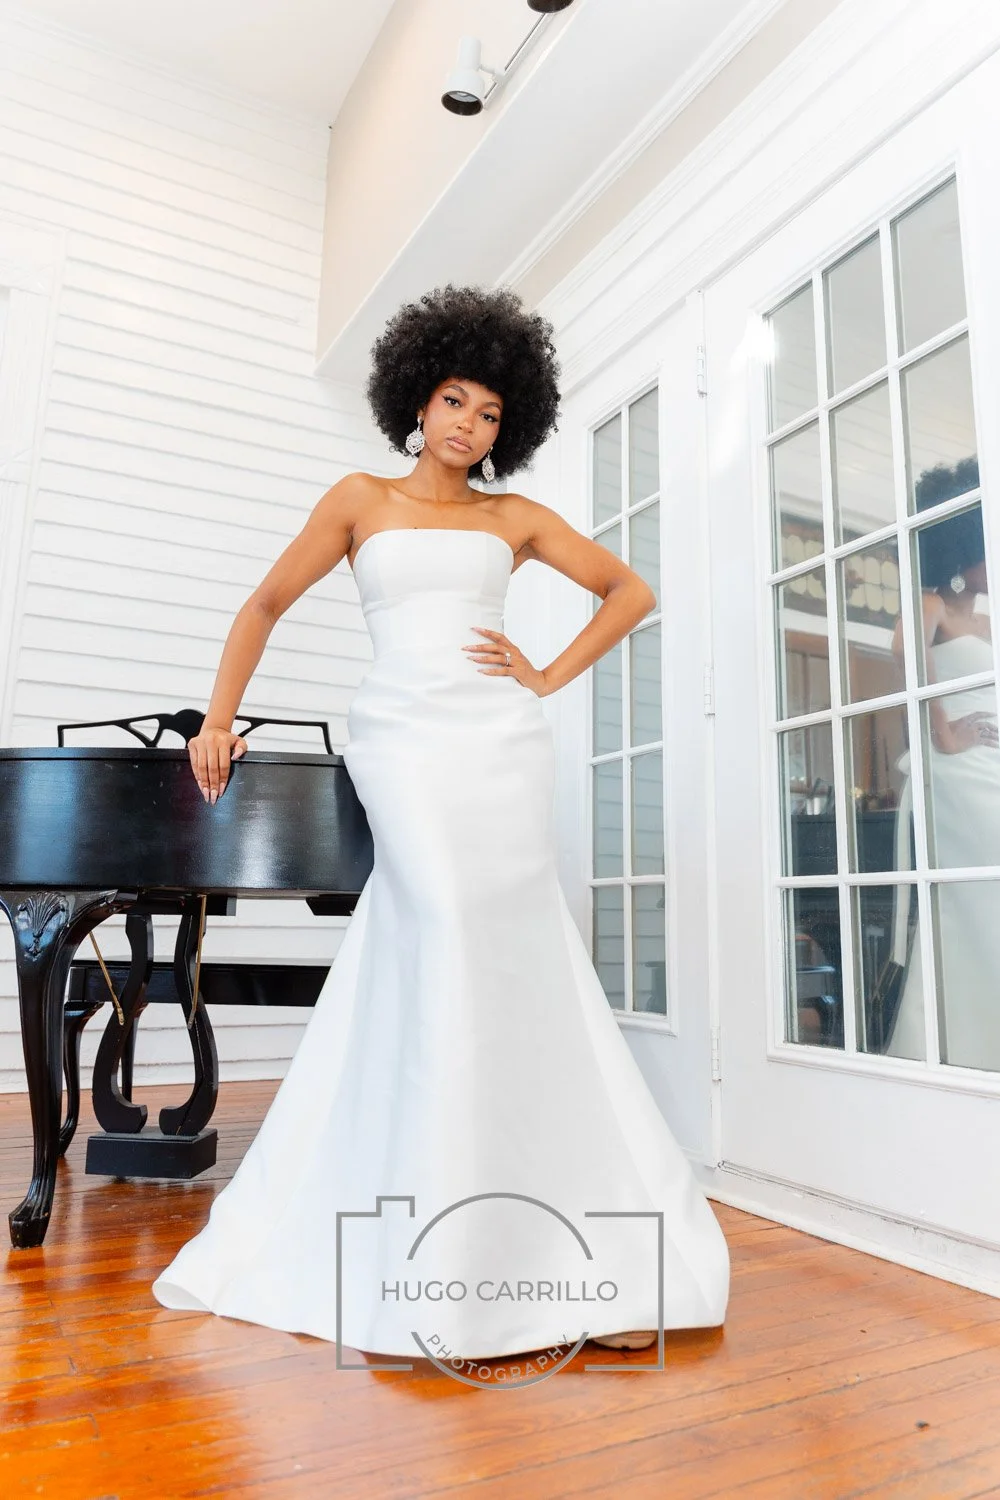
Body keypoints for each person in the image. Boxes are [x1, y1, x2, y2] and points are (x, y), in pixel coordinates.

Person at [151, 283, 730, 1360]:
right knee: (449, 929)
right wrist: (216, 722)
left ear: (508, 429)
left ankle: (550, 1245)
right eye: (454, 401)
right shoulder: (358, 497)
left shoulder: (511, 521)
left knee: (512, 951)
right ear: (416, 399)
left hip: (498, 740)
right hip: (403, 740)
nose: (467, 425)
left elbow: (628, 590)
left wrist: (545, 674)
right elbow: (263, 605)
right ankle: (432, 1264)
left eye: (491, 413)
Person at [884, 461, 1000, 1070]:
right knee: (976, 901)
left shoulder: (986, 617)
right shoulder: (931, 603)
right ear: (962, 549)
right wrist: (944, 734)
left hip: (994, 768)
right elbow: (905, 655)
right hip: (961, 778)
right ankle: (952, 1054)